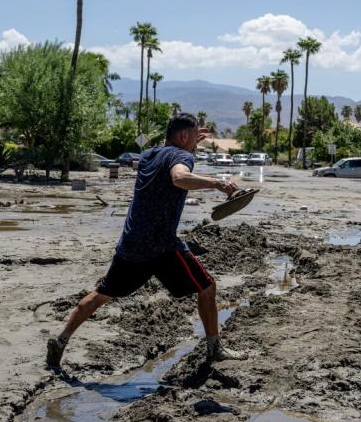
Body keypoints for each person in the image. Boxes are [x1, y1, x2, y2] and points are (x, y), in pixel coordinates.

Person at [47, 112, 244, 369]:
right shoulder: (182, 157)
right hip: (161, 246)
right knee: (207, 287)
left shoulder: (151, 154)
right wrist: (216, 183)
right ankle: (214, 349)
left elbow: (170, 160)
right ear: (184, 136)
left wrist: (193, 140)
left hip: (132, 242)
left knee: (102, 293)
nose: (197, 142)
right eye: (194, 137)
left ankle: (61, 341)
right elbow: (179, 177)